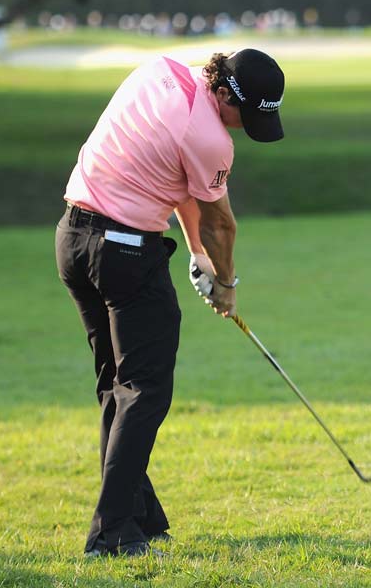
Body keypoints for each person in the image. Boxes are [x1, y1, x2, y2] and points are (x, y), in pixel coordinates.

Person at [54, 48, 284, 557]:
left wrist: (196, 254)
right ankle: (111, 534)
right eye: (246, 117)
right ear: (224, 94)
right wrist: (227, 285)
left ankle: (138, 517)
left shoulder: (163, 72)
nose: (245, 129)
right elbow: (223, 221)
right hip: (125, 253)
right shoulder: (210, 138)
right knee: (144, 390)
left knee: (117, 385)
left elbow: (175, 178)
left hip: (72, 239)